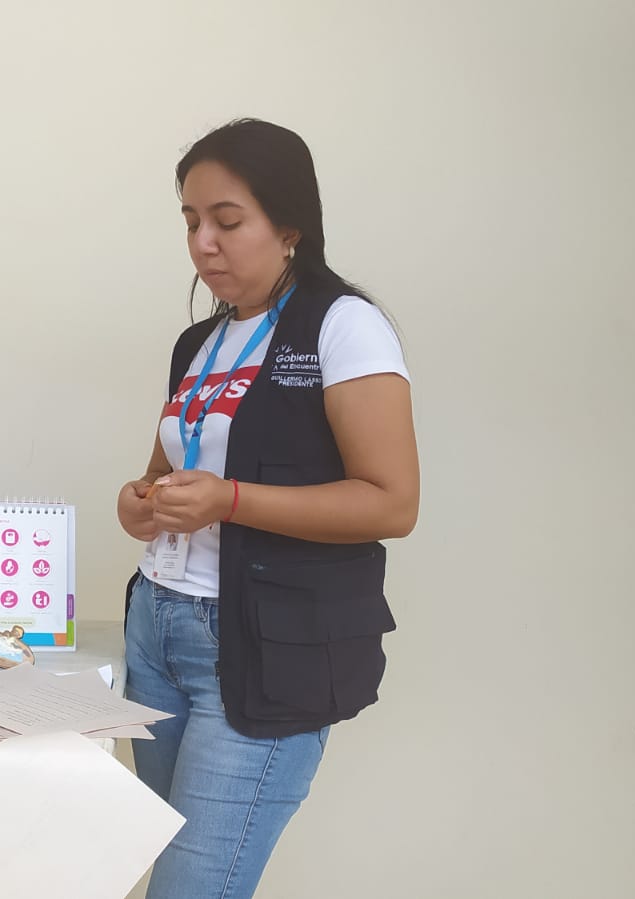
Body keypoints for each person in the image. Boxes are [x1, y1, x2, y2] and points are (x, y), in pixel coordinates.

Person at [116, 119, 419, 899]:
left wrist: (230, 501)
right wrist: (140, 501)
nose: (203, 244)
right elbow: (165, 472)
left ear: (289, 227)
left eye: (227, 220)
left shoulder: (344, 326)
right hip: (158, 628)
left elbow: (392, 501)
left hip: (261, 647)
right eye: (190, 221)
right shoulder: (198, 342)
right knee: (165, 869)